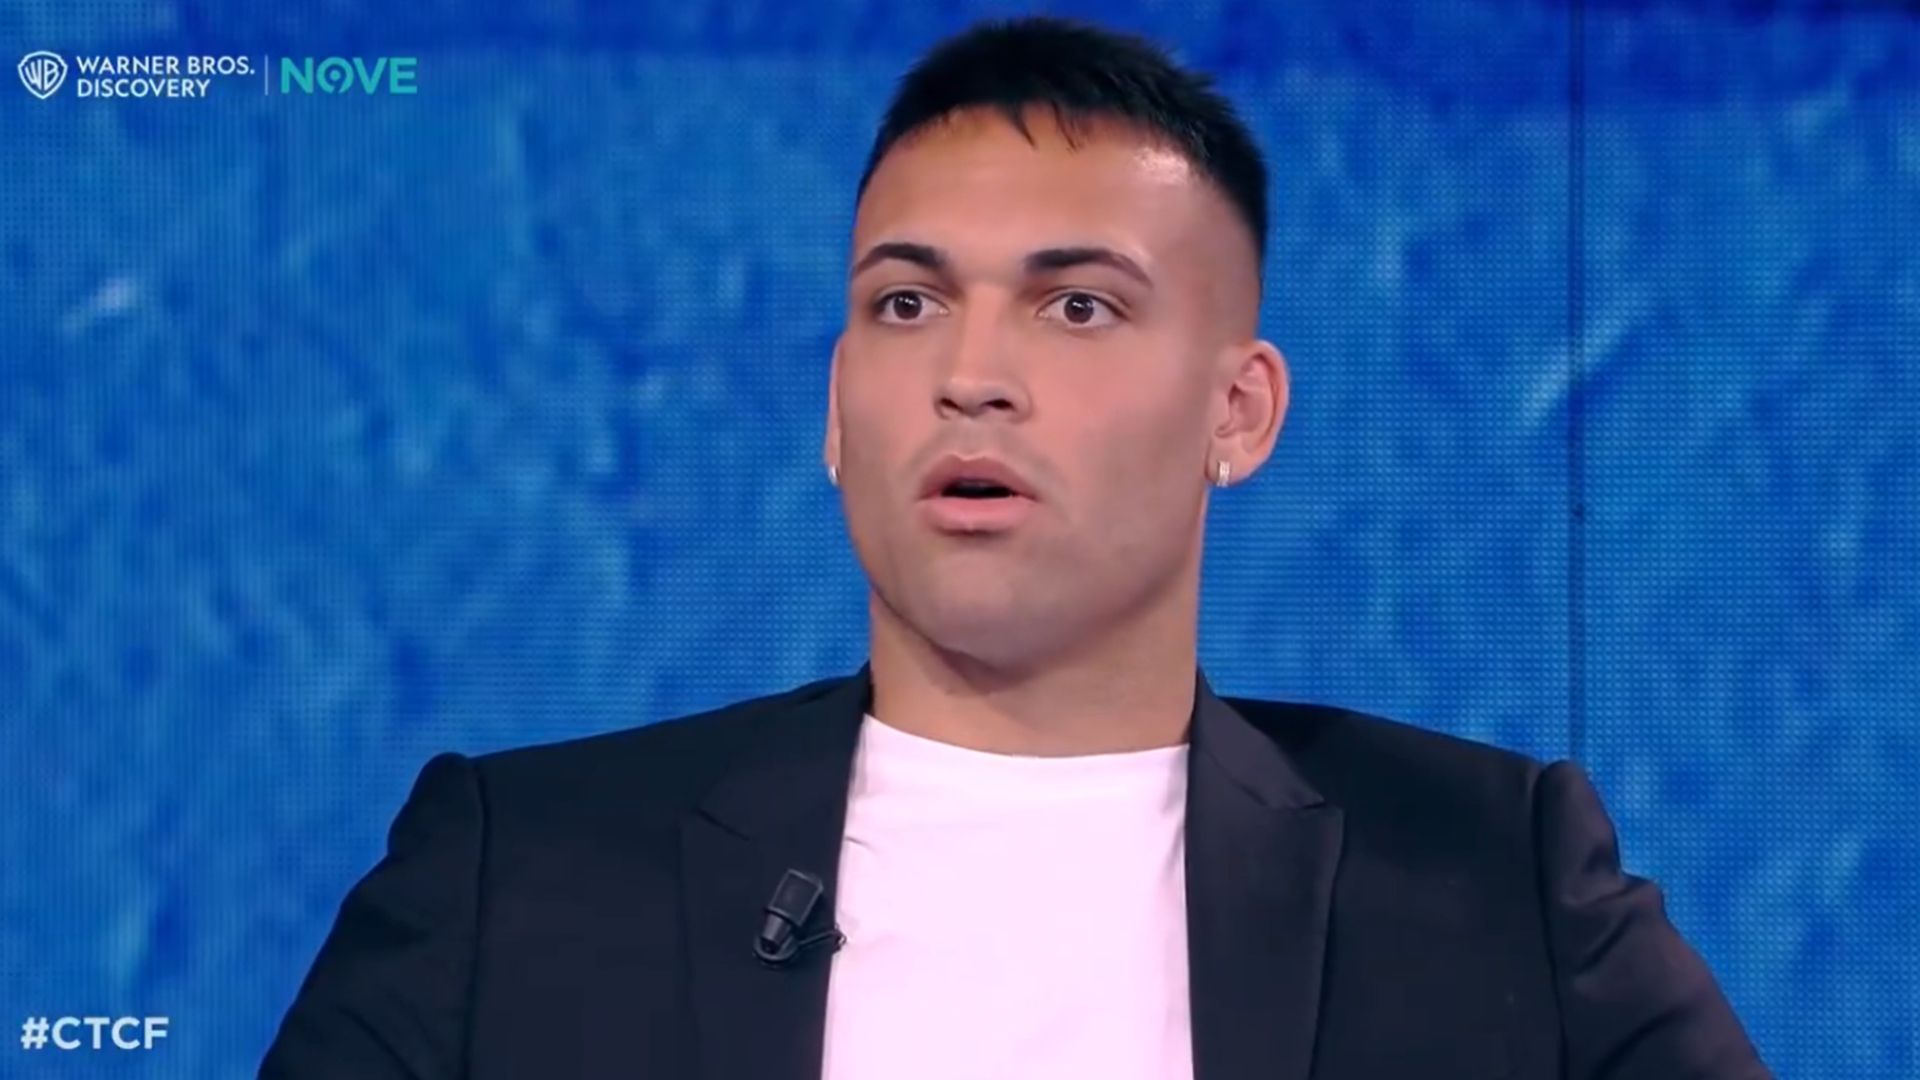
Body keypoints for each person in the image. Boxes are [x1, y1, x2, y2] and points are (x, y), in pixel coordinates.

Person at [261, 16, 1772, 1080]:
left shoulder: (1494, 878)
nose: (969, 374)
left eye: (1078, 306)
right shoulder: (515, 877)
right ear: (836, 409)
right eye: (907, 304)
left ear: (1238, 414)